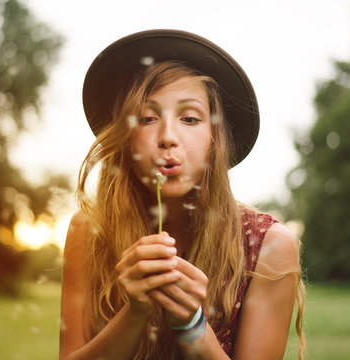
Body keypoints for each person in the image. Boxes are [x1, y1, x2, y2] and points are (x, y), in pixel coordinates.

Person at [60, 29, 305, 360]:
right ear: (126, 138)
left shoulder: (267, 248)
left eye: (190, 118)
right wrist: (135, 314)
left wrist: (193, 328)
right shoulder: (89, 232)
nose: (167, 137)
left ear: (215, 140)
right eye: (147, 118)